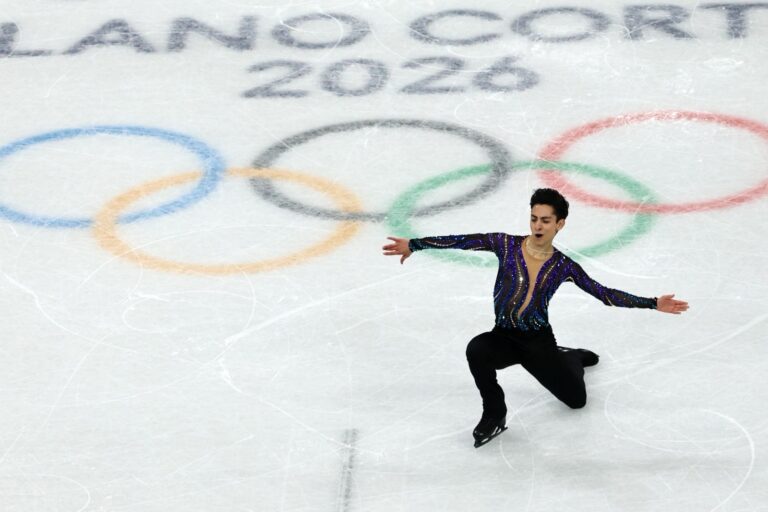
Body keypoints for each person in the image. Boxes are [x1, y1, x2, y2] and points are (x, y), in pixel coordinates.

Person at [382, 188, 689, 447]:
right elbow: (462, 241)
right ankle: (494, 412)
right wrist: (415, 244)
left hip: (538, 343)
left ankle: (570, 357)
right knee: (477, 349)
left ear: (560, 224)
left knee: (576, 401)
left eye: (545, 220)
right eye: (533, 218)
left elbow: (603, 294)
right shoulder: (506, 244)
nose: (537, 225)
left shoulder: (563, 266)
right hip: (503, 337)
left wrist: (652, 303)